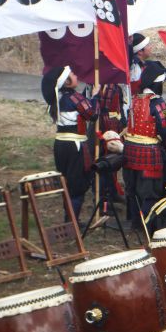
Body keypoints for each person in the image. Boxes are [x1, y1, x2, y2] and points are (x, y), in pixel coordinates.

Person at [41, 66, 100, 220]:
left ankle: (69, 220)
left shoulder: (57, 98)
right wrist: (95, 96)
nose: (75, 75)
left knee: (66, 182)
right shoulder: (74, 98)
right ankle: (72, 223)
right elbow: (93, 115)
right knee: (77, 186)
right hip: (75, 146)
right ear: (66, 82)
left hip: (60, 144)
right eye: (72, 74)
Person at [123, 61, 166, 229]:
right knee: (149, 192)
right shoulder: (157, 102)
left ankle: (134, 223)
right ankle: (147, 225)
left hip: (129, 150)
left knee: (133, 188)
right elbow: (165, 128)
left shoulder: (135, 99)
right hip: (149, 152)